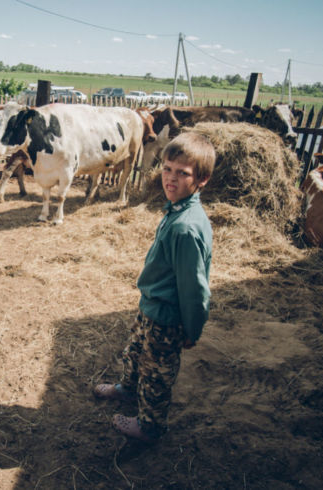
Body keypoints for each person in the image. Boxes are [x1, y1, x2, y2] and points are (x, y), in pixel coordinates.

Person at [93, 131, 216, 443]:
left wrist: (192, 328)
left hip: (167, 317)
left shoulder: (186, 227)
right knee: (135, 352)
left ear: (201, 179)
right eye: (167, 169)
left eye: (182, 173)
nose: (170, 179)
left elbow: (194, 289)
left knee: (156, 375)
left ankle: (150, 426)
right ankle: (126, 389)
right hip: (151, 306)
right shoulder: (177, 209)